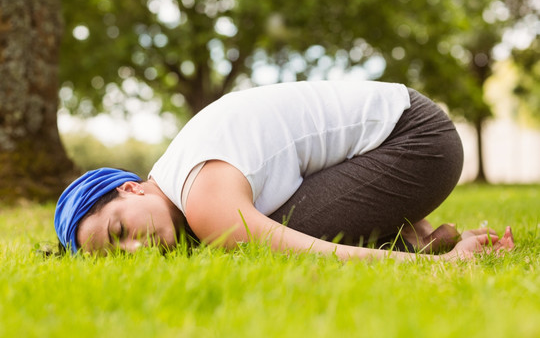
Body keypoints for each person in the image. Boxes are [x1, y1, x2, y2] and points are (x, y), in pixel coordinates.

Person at [54, 80, 514, 261]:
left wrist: (437, 271)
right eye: (118, 256)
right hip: (408, 131)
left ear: (131, 190)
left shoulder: (203, 201)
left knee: (272, 244)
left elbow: (312, 254)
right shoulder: (175, 174)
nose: (136, 250)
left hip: (418, 141)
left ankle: (424, 250)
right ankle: (420, 235)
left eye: (120, 232)